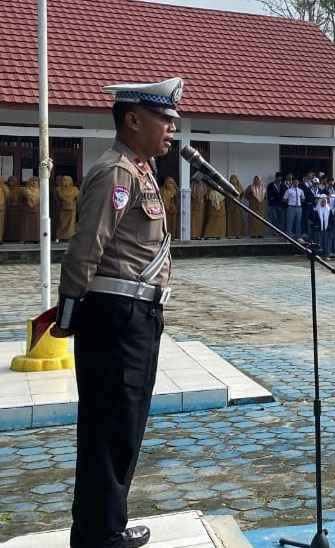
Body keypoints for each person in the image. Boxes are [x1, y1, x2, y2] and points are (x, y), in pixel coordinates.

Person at [51, 76, 182, 548]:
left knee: (124, 424)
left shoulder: (140, 169)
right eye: (164, 118)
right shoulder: (117, 172)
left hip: (136, 314)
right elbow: (86, 248)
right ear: (132, 119)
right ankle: (99, 534)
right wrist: (69, 313)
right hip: (114, 315)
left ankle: (104, 524)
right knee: (110, 426)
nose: (172, 127)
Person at [55, 175, 80, 242]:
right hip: (63, 208)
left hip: (72, 208)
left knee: (71, 224)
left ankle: (70, 237)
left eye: (65, 180)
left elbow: (78, 198)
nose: (63, 182)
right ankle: (59, 237)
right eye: (62, 180)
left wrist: (75, 204)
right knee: (62, 223)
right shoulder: (58, 190)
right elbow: (57, 200)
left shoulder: (74, 189)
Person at [19, 175, 41, 243]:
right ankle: (26, 238)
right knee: (26, 225)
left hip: (36, 210)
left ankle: (36, 239)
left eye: (36, 181)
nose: (34, 182)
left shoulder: (41, 190)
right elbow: (21, 199)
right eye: (32, 180)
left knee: (36, 224)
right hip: (26, 209)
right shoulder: (25, 190)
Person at [3, 175, 22, 242]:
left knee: (15, 224)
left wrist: (17, 203)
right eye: (10, 180)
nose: (11, 182)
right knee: (6, 224)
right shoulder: (5, 189)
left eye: (13, 180)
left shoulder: (19, 190)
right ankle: (6, 238)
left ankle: (15, 238)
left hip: (16, 210)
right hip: (7, 210)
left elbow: (21, 200)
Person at [0, 176, 8, 243]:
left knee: (1, 224)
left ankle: (0, 239)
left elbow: (8, 196)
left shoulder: (4, 188)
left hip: (1, 209)